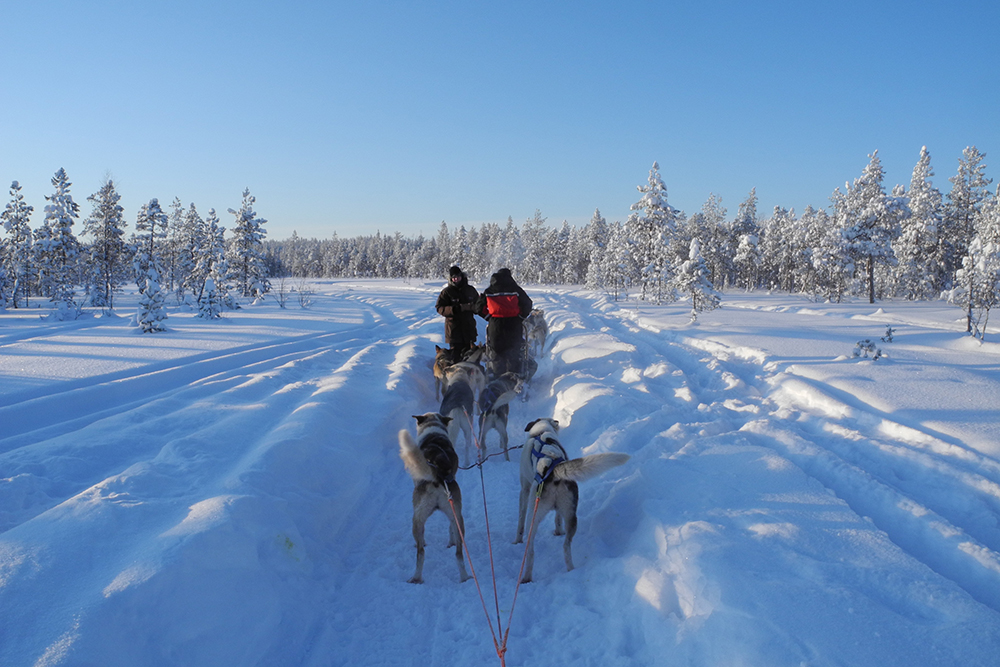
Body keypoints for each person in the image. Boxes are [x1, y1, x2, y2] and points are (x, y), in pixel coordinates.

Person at [475, 267, 533, 378]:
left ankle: (497, 378)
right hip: (514, 323)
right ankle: (513, 379)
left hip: (495, 325)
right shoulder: (516, 289)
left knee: (497, 353)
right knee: (513, 352)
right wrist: (520, 317)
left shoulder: (489, 290)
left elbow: (478, 307)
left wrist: (488, 317)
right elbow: (528, 304)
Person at [436, 265, 480, 356]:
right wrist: (454, 309)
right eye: (453, 278)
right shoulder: (446, 292)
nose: (456, 279)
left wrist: (473, 307)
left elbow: (479, 305)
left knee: (470, 356)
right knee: (455, 357)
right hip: (453, 330)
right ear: (450, 279)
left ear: (462, 276)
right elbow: (439, 308)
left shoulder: (470, 290)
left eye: (457, 277)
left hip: (469, 329)